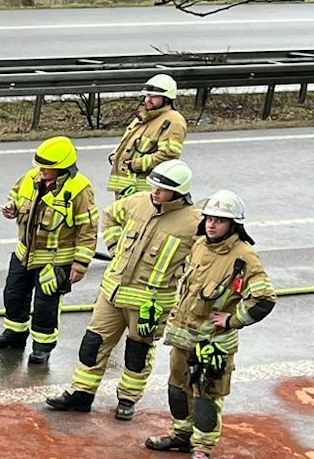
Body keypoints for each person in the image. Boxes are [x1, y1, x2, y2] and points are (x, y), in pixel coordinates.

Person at [44, 159, 201, 419]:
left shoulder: (193, 221)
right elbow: (110, 216)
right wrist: (116, 248)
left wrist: (181, 277)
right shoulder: (138, 201)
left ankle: (127, 399)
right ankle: (81, 393)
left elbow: (202, 259)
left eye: (161, 190)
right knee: (94, 343)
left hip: (150, 302)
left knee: (137, 353)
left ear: (179, 192)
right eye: (154, 187)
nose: (155, 193)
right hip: (113, 292)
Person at [145, 189, 278, 459]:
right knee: (177, 389)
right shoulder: (200, 245)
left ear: (233, 225)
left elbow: (264, 299)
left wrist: (232, 320)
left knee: (207, 395)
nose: (212, 224)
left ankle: (202, 448)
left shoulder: (244, 256)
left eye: (220, 220)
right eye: (209, 218)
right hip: (183, 335)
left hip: (213, 343)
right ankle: (181, 436)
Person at [0, 136, 97, 365]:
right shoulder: (31, 177)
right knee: (13, 295)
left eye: (48, 167)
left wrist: (80, 265)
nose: (42, 170)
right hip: (24, 253)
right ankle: (15, 334)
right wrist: (12, 208)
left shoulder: (79, 190)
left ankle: (42, 347)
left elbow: (88, 229)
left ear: (62, 168)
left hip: (55, 260)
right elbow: (16, 195)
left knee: (45, 306)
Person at [105, 74, 187, 198]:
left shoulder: (173, 121)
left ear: (166, 98)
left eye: (154, 96)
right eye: (147, 95)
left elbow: (168, 156)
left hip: (144, 189)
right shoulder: (144, 116)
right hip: (125, 186)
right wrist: (115, 155)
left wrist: (135, 165)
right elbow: (128, 142)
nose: (148, 100)